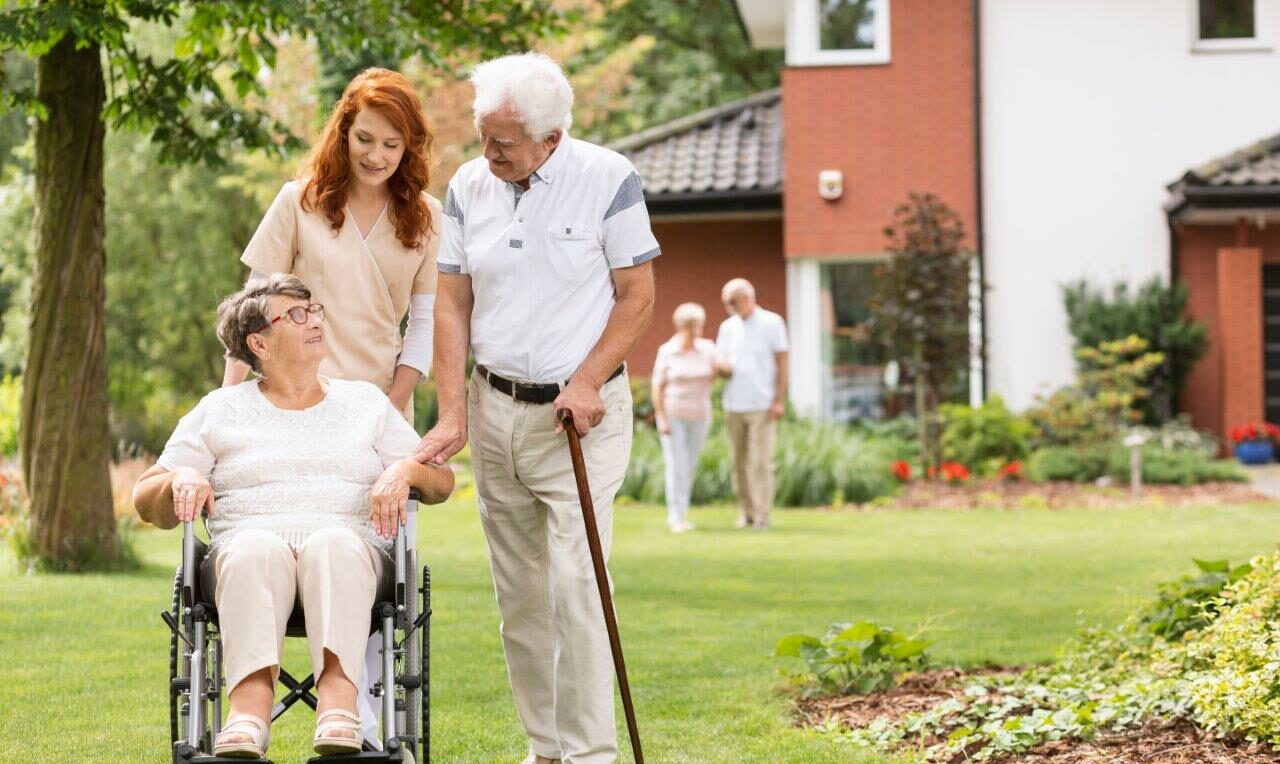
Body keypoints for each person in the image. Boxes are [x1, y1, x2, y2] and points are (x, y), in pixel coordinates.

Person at [414, 52, 658, 764]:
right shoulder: (468, 186)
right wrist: (453, 412)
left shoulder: (607, 177)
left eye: (505, 142)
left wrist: (587, 380)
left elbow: (637, 296)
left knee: (578, 586)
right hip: (496, 410)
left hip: (578, 419)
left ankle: (589, 755)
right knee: (520, 595)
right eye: (484, 136)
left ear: (552, 136)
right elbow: (451, 305)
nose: (489, 152)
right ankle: (545, 748)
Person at [132, 275, 454, 758]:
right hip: (245, 557)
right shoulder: (220, 409)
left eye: (315, 310)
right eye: (297, 315)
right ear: (258, 343)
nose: (314, 321)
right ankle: (247, 714)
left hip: (353, 556)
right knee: (255, 546)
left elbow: (441, 481)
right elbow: (144, 496)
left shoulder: (364, 403)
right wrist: (181, 477)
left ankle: (339, 708)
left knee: (332, 543)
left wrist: (405, 470)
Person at [225, 67, 440, 420]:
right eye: (364, 139)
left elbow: (424, 324)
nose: (375, 157)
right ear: (344, 133)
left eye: (391, 145)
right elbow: (252, 311)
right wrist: (227, 403)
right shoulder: (299, 202)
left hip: (380, 404)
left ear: (408, 147)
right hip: (294, 400)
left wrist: (390, 410)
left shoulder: (427, 217)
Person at [715, 278, 789, 530]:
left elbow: (782, 364)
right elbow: (722, 362)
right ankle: (746, 512)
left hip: (762, 404)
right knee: (739, 463)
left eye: (732, 301)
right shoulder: (727, 327)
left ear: (748, 297)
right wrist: (718, 367)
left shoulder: (772, 322)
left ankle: (762, 514)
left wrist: (779, 400)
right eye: (726, 302)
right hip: (733, 404)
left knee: (760, 462)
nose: (729, 307)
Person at [651, 302, 728, 533]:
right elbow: (657, 387)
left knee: (690, 465)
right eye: (692, 326)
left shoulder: (707, 348)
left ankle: (682, 513)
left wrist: (721, 366)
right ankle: (676, 517)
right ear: (681, 326)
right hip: (673, 414)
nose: (696, 330)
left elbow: (725, 369)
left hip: (700, 415)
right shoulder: (667, 351)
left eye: (699, 325)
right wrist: (661, 418)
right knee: (677, 465)